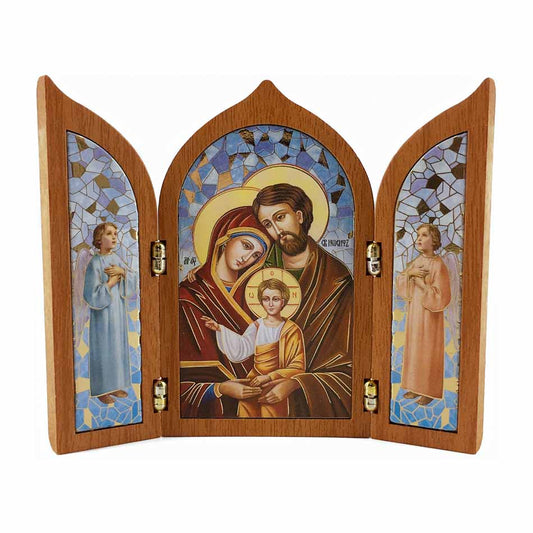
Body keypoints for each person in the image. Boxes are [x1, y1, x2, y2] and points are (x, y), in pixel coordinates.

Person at [251, 183, 354, 418]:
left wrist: (296, 383)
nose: (277, 229)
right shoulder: (255, 274)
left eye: (280, 217)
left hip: (307, 403)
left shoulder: (336, 279)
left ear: (299, 215)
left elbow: (347, 367)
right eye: (268, 224)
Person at [179, 206, 272, 417]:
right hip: (214, 405)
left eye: (256, 255)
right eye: (245, 245)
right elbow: (182, 375)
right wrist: (220, 388)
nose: (247, 258)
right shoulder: (189, 294)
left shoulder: (258, 296)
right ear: (224, 239)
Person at [202, 278, 306, 418]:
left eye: (275, 299)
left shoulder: (292, 330)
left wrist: (268, 377)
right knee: (246, 410)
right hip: (254, 380)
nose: (270, 304)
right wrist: (220, 329)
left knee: (270, 413)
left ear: (283, 301)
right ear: (261, 302)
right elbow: (242, 347)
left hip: (276, 382)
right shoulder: (257, 326)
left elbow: (298, 366)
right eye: (266, 299)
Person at [396, 223, 451, 405]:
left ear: (434, 240)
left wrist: (421, 285)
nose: (419, 239)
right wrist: (410, 273)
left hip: (430, 318)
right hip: (416, 314)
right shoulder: (417, 262)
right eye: (418, 235)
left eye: (424, 235)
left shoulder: (438, 265)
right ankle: (414, 386)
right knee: (414, 348)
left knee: (428, 350)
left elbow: (442, 296)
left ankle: (428, 391)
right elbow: (402, 281)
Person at [83, 222, 136, 405]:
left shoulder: (116, 259)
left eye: (115, 233)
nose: (114, 237)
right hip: (102, 317)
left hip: (117, 312)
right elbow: (90, 294)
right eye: (109, 234)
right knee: (104, 348)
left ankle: (115, 385)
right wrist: (111, 283)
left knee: (116, 346)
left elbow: (132, 278)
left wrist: (123, 272)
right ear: (99, 239)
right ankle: (101, 389)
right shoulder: (95, 263)